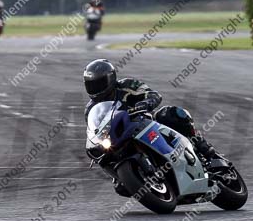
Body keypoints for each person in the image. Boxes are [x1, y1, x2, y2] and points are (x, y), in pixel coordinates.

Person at [83, 59, 221, 164]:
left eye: (99, 83)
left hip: (144, 123)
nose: (95, 88)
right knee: (118, 183)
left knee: (172, 114)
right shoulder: (90, 109)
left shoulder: (126, 85)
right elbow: (93, 131)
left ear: (111, 78)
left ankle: (202, 146)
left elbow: (153, 94)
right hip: (118, 138)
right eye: (91, 84)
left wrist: (145, 103)